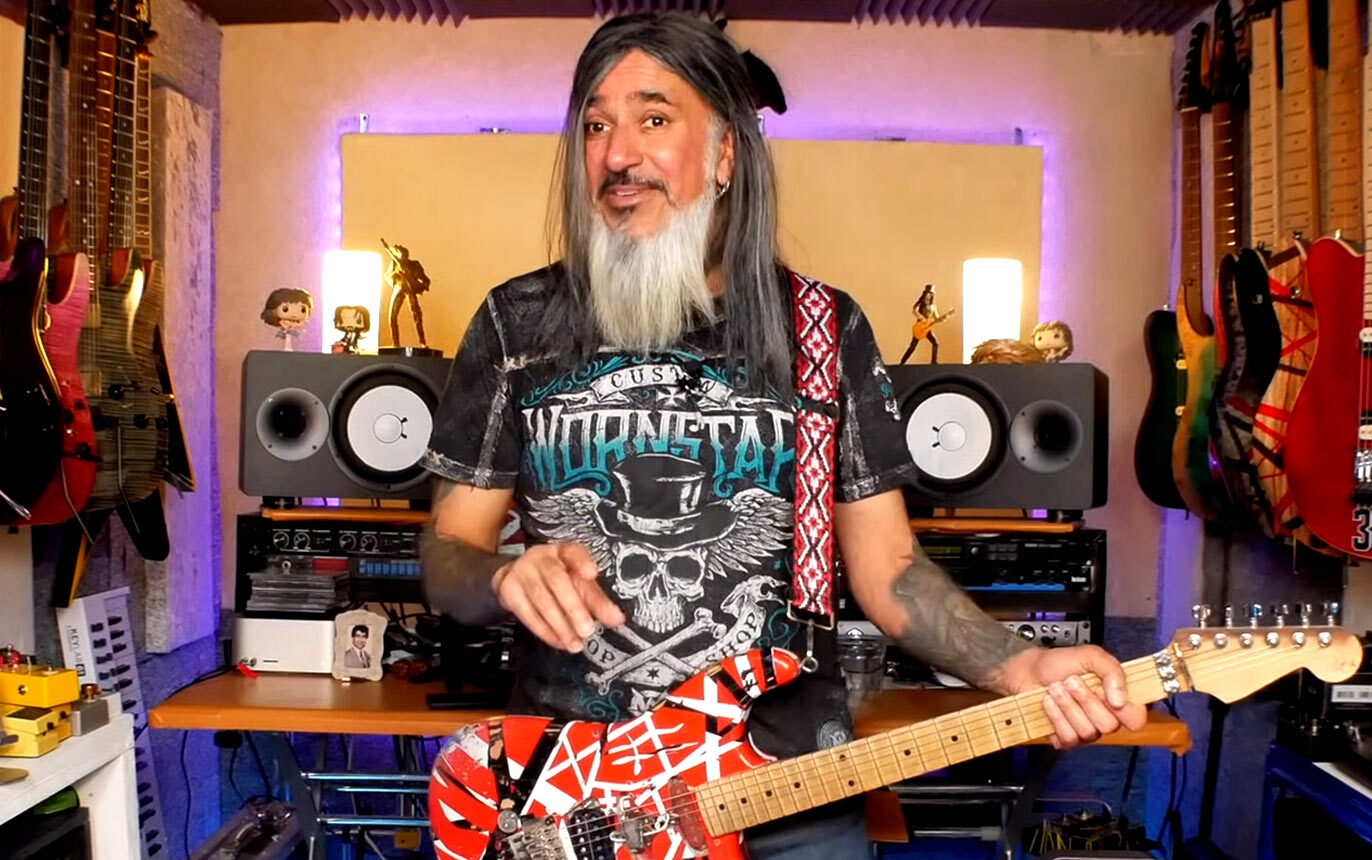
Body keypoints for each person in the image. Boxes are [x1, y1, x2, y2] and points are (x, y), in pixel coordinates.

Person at [419, 14, 1144, 857]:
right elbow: (446, 555)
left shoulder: (823, 330)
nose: (617, 154)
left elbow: (890, 570)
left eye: (653, 118)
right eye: (596, 125)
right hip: (576, 806)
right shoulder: (517, 324)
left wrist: (1020, 665)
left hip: (788, 792)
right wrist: (504, 576)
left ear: (726, 155)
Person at [899, 283, 946, 364]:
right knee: (913, 346)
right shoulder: (921, 303)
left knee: (935, 343)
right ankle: (903, 361)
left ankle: (934, 361)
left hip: (927, 328)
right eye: (927, 293)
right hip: (920, 326)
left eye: (930, 294)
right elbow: (914, 310)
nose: (928, 295)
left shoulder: (933, 306)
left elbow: (936, 317)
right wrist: (921, 317)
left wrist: (942, 318)